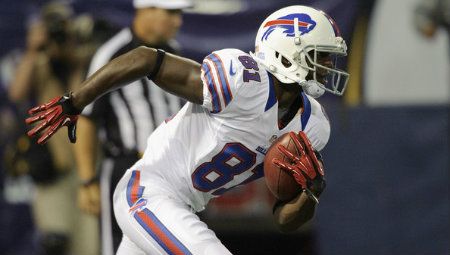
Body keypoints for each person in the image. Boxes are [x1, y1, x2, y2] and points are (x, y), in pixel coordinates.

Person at [26, 5, 349, 254]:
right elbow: (144, 59)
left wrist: (310, 193)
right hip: (148, 191)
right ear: (286, 51)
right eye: (321, 57)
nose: (328, 68)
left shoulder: (312, 124)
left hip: (184, 207)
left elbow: (284, 220)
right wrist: (74, 101)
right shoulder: (242, 81)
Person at [73, 0, 192, 254]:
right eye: (171, 12)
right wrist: (87, 180)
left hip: (172, 170)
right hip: (125, 169)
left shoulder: (175, 52)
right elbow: (87, 118)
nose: (178, 21)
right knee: (120, 247)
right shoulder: (112, 53)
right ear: (146, 9)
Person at [8, 2, 99, 255]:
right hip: (52, 164)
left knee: (88, 245)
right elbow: (17, 92)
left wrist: (71, 50)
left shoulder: (80, 57)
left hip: (85, 161)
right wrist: (33, 50)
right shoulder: (38, 61)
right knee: (55, 241)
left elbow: (86, 90)